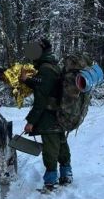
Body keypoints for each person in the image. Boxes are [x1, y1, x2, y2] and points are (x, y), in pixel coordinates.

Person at [20, 37, 72, 191]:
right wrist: (26, 80)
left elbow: (41, 100)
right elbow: (43, 84)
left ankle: (50, 182)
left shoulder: (45, 69)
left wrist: (31, 121)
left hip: (48, 116)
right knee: (61, 144)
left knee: (50, 148)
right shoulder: (53, 66)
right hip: (60, 115)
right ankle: (66, 174)